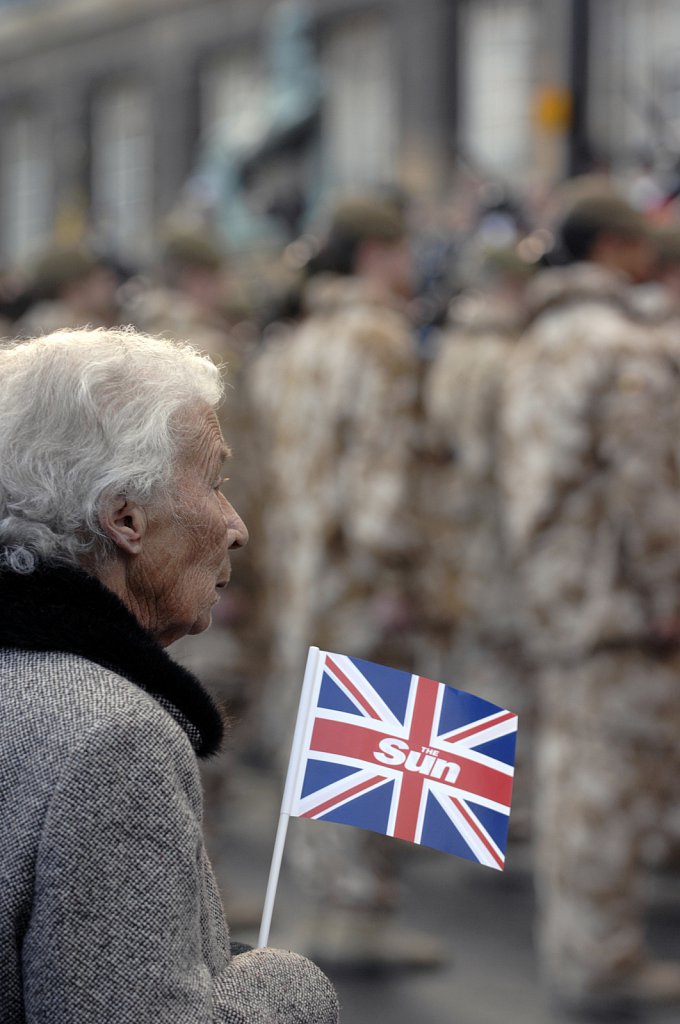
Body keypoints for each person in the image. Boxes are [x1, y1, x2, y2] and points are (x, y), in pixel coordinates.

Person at [0, 328, 340, 1024]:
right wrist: (286, 986)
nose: (236, 525)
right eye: (214, 484)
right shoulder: (110, 741)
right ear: (125, 518)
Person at [247, 195, 440, 967]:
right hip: (358, 573)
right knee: (375, 738)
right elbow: (384, 471)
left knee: (319, 737)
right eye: (404, 250)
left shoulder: (295, 344)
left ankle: (327, 903)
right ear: (378, 254)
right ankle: (359, 916)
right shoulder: (379, 338)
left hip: (303, 570)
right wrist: (395, 569)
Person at [500, 192, 680, 1013]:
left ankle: (577, 950)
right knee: (611, 781)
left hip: (555, 590)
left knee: (574, 774)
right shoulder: (626, 347)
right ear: (616, 247)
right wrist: (670, 590)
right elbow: (648, 490)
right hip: (616, 600)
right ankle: (600, 962)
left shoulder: (534, 343)